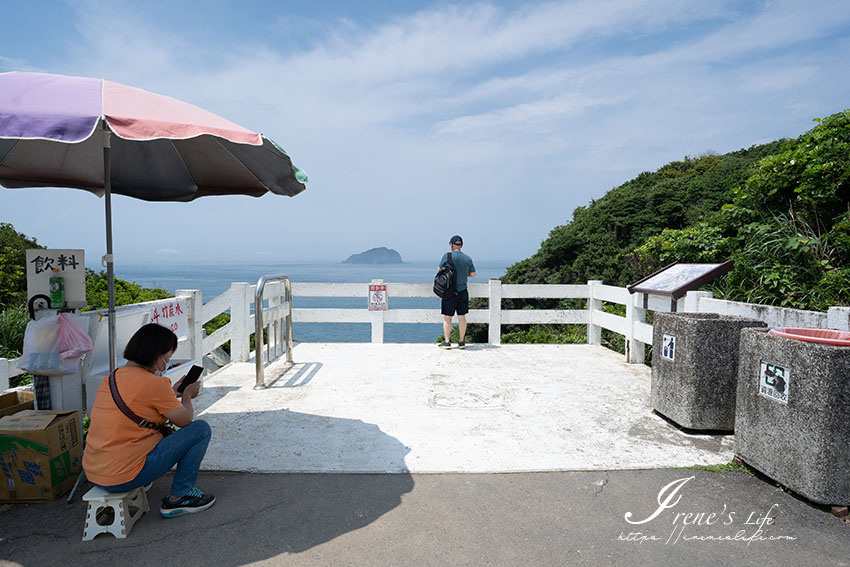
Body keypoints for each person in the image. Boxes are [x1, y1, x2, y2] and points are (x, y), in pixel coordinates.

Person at [82, 323, 215, 518]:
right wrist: (186, 395)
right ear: (157, 355)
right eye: (168, 356)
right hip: (123, 476)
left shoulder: (111, 378)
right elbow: (185, 421)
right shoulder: (155, 383)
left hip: (95, 473)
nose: (168, 361)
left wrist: (172, 394)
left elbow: (139, 402)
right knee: (201, 429)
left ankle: (143, 479)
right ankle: (180, 497)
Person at [437, 234, 476, 349]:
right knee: (462, 317)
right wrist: (464, 274)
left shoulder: (447, 256)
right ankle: (461, 342)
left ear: (451, 245)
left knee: (448, 317)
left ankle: (447, 342)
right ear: (462, 245)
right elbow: (473, 275)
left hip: (449, 291)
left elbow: (439, 270)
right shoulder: (468, 258)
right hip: (463, 290)